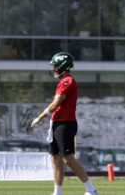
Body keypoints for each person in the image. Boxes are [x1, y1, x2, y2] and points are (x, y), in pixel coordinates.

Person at [31, 52, 98, 195]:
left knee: (68, 158)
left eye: (55, 66)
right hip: (57, 123)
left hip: (65, 124)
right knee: (55, 158)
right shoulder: (62, 82)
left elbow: (55, 104)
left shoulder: (68, 81)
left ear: (63, 66)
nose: (54, 69)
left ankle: (91, 190)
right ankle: (58, 192)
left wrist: (40, 117)